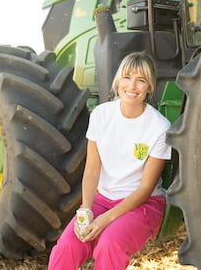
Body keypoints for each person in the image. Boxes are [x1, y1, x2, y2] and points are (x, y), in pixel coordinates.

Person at [48, 51, 171, 269]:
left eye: (140, 80)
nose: (132, 86)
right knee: (67, 245)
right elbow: (92, 171)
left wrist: (105, 220)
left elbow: (145, 189)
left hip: (143, 204)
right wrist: (86, 210)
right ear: (118, 81)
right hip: (102, 199)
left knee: (109, 243)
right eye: (127, 77)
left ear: (149, 86)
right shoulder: (101, 115)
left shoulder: (159, 127)